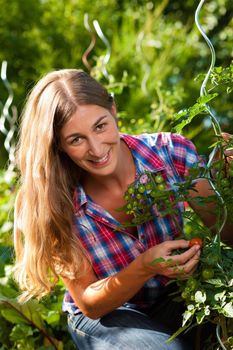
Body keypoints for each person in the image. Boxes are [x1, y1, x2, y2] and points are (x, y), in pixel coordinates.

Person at [13, 69, 233, 350]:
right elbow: (90, 303)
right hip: (106, 316)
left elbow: (226, 232)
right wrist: (144, 267)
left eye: (100, 126)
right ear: (59, 145)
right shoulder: (56, 202)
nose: (95, 148)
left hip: (175, 296)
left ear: (113, 110)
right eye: (76, 139)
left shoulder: (170, 153)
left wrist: (227, 183)